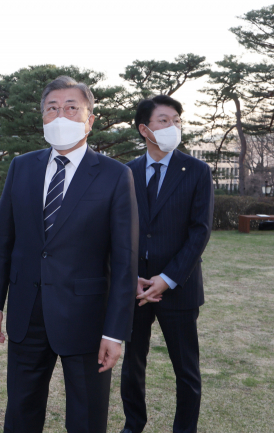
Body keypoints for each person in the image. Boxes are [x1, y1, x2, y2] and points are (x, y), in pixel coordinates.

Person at [0, 76, 139, 433]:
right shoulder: (22, 167)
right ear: (42, 117)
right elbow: (3, 240)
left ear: (90, 119)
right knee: (21, 413)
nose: (61, 115)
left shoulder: (116, 175)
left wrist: (115, 333)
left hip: (87, 319)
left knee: (86, 419)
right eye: (52, 108)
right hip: (27, 313)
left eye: (71, 108)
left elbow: (125, 261)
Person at [120, 95, 213, 433]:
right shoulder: (126, 172)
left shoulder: (197, 171)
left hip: (179, 287)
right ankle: (133, 425)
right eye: (164, 120)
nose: (173, 126)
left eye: (176, 120)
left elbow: (200, 231)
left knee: (186, 370)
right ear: (144, 129)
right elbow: (117, 230)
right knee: (132, 365)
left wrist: (168, 278)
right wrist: (132, 277)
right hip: (135, 288)